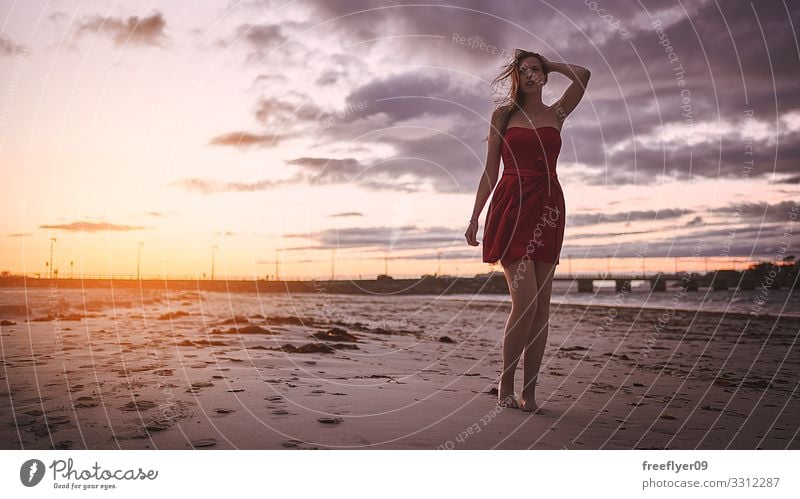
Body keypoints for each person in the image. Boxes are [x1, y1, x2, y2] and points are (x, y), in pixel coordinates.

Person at [465, 49, 590, 412]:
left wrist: (550, 63)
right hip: (512, 204)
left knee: (542, 309)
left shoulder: (557, 114)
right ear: (516, 77)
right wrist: (475, 217)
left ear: (545, 76)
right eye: (525, 70)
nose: (532, 74)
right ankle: (506, 381)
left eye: (537, 70)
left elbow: (583, 73)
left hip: (549, 205)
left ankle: (530, 390)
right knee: (525, 304)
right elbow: (490, 170)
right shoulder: (503, 115)